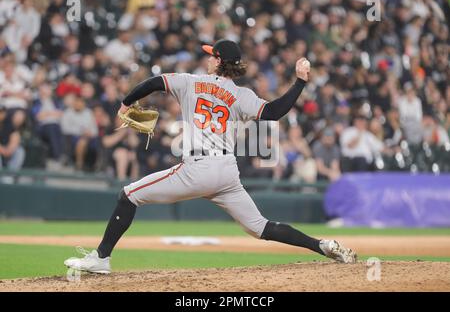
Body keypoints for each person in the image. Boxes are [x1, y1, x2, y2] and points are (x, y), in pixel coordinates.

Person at [64, 39, 356, 274]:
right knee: (260, 227)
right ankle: (322, 245)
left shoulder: (189, 81)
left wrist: (126, 103)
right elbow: (274, 112)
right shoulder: (241, 94)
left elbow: (153, 83)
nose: (207, 58)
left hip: (197, 169)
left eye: (211, 55)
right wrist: (300, 83)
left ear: (218, 61)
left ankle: (101, 258)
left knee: (128, 195)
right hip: (227, 172)